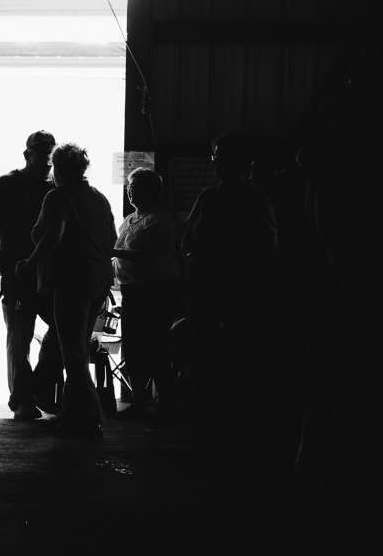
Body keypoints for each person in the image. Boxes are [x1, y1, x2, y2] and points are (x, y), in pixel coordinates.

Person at [180, 131, 279, 442]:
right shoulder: (208, 198)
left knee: (238, 360)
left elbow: (268, 253)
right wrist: (192, 261)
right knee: (204, 358)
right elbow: (186, 241)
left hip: (239, 296)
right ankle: (207, 422)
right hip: (206, 292)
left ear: (241, 161)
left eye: (220, 157)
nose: (215, 163)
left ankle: (234, 426)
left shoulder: (255, 200)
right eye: (214, 157)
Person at [16, 143, 116, 438]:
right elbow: (111, 238)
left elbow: (55, 232)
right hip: (100, 280)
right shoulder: (98, 197)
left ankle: (89, 418)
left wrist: (31, 262)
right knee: (79, 349)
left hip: (73, 282)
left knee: (72, 353)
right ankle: (72, 413)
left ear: (57, 169)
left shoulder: (58, 196)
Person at [0, 131, 58, 420]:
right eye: (42, 158)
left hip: (50, 276)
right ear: (27, 155)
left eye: (50, 159)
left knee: (60, 331)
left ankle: (41, 387)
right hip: (18, 275)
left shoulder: (55, 188)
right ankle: (22, 399)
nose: (46, 164)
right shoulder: (8, 184)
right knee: (19, 339)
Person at [111, 167, 180, 419]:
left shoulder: (160, 219)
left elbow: (149, 255)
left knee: (155, 345)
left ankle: (165, 403)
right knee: (133, 346)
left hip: (157, 290)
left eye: (137, 187)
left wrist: (114, 253)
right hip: (132, 291)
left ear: (153, 192)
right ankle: (139, 402)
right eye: (130, 186)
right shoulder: (129, 220)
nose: (131, 191)